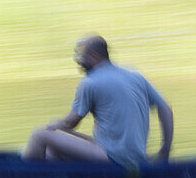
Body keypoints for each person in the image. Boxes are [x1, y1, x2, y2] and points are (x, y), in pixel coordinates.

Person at [23, 36, 173, 166]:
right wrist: (165, 150)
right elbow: (165, 109)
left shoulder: (91, 82)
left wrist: (56, 125)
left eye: (82, 57)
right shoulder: (135, 76)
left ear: (94, 56)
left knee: (40, 135)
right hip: (136, 156)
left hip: (114, 158)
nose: (79, 62)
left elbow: (72, 123)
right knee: (52, 150)